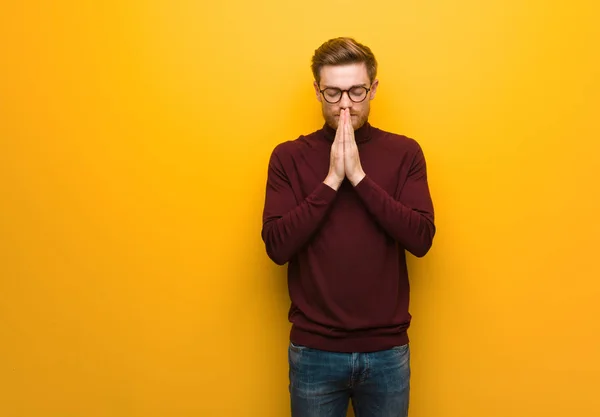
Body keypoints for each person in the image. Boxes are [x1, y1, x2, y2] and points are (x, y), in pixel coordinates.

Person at [261, 37, 435, 417]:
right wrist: (330, 181)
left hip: (387, 353)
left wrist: (357, 176)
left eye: (356, 91)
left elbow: (420, 239)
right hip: (314, 353)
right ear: (317, 91)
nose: (344, 105)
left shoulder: (405, 153)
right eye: (333, 93)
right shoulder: (288, 158)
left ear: (373, 88)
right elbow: (276, 246)